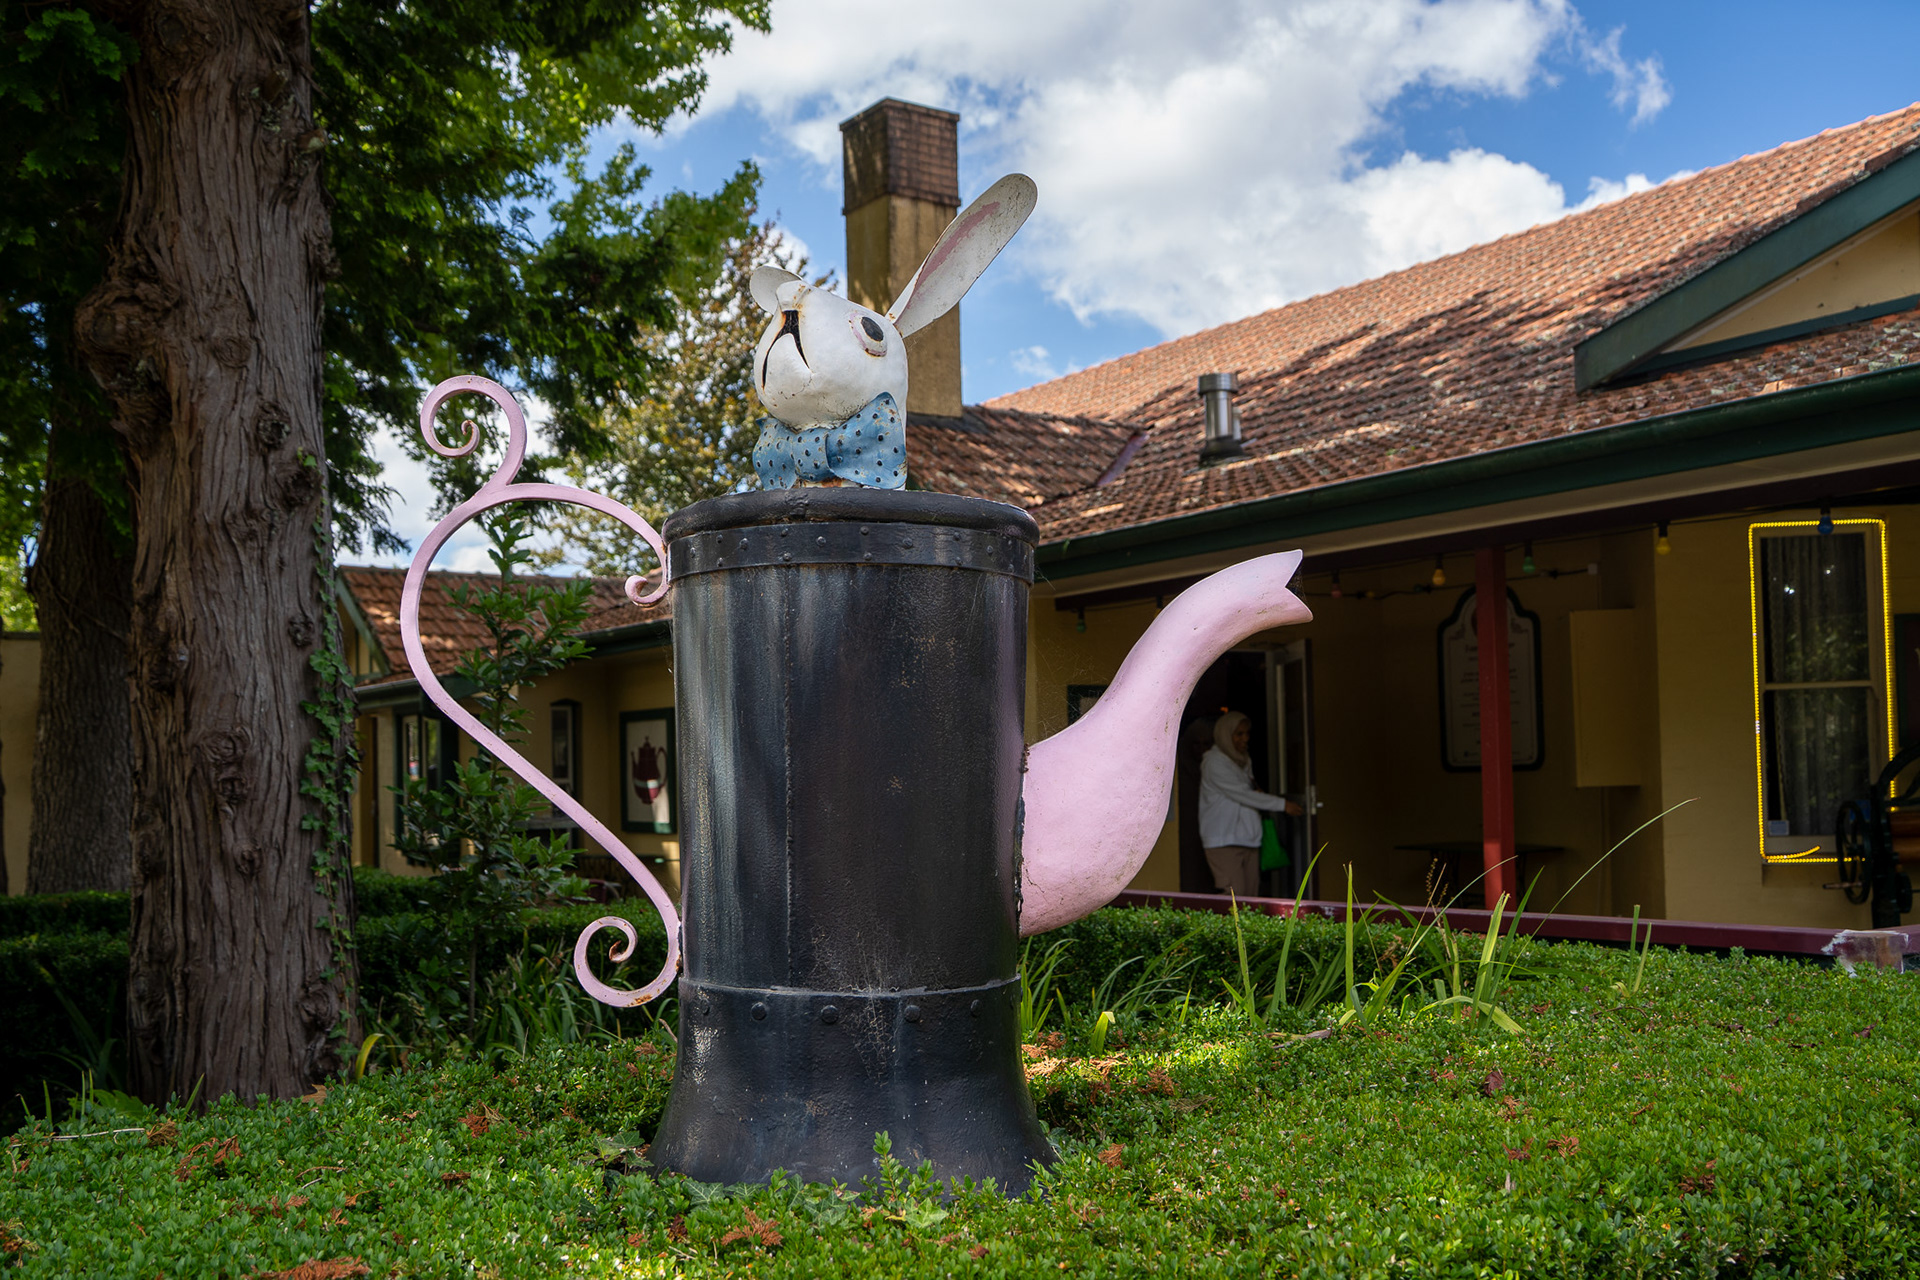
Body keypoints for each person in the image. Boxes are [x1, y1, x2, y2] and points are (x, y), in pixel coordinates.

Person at [1198, 710, 1300, 898]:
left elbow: (1249, 792)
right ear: (1225, 734)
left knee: (1250, 898)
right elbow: (1243, 795)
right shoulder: (1214, 762)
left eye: (1247, 734)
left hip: (1248, 838)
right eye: (1239, 734)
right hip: (1224, 840)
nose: (1245, 739)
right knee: (1234, 898)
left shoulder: (1243, 759)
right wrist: (1282, 805)